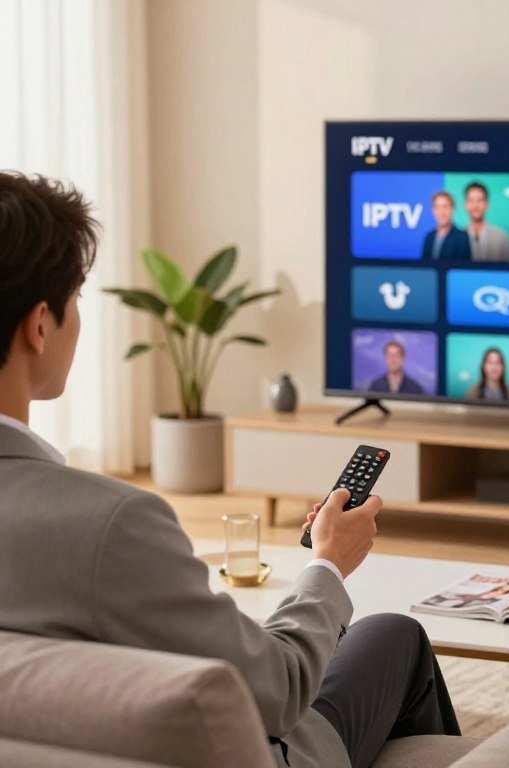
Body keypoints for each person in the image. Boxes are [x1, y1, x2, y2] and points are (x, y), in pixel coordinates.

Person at [0, 172, 459, 768]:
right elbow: (277, 689)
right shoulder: (110, 524)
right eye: (77, 299)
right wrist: (327, 566)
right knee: (395, 636)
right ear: (40, 325)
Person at [463, 181, 509, 262]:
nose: (475, 205)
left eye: (480, 200)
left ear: (487, 204)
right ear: (465, 204)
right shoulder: (458, 237)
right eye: (471, 200)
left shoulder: (501, 236)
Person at [420, 190, 470, 260]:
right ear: (433, 211)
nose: (442, 212)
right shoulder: (429, 237)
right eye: (437, 207)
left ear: (452, 209)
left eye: (445, 207)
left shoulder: (461, 237)